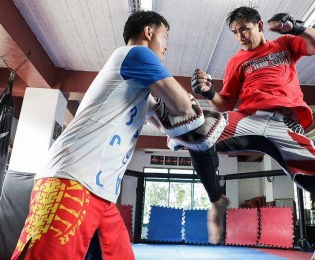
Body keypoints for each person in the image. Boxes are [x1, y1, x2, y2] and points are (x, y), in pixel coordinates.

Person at [12, 10, 196, 259]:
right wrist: (191, 105)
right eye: (164, 39)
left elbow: (168, 126)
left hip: (102, 194)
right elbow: (182, 106)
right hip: (71, 180)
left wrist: (182, 130)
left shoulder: (141, 89)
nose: (165, 48)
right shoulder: (135, 53)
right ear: (148, 32)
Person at [189, 6, 315, 260]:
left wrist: (297, 28)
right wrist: (207, 92)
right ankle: (216, 199)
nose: (240, 36)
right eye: (235, 32)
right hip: (249, 119)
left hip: (284, 123)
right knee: (195, 132)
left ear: (259, 26)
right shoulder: (236, 61)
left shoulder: (284, 44)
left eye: (244, 29)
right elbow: (225, 103)